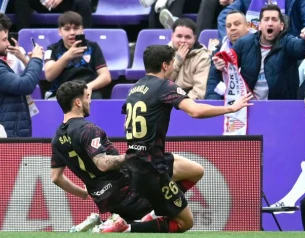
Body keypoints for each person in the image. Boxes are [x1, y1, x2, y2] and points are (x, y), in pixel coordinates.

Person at [120, 45, 253, 233]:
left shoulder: (135, 88)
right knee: (185, 223)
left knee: (196, 171)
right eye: (173, 62)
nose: (175, 66)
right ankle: (127, 229)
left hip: (136, 160)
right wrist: (231, 108)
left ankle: (158, 210)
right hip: (151, 167)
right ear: (165, 65)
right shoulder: (165, 86)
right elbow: (195, 111)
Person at [50, 80, 153, 233]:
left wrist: (84, 193)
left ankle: (101, 222)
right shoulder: (87, 129)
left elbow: (55, 177)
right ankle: (102, 224)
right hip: (126, 191)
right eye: (87, 97)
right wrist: (132, 156)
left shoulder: (57, 138)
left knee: (130, 225)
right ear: (78, 102)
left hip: (104, 199)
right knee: (171, 212)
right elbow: (103, 163)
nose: (89, 100)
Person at [44, 11, 111, 99]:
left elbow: (106, 76)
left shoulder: (93, 47)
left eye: (76, 28)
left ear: (82, 29)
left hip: (87, 90)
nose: (72, 32)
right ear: (60, 31)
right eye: (67, 29)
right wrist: (67, 56)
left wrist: (89, 87)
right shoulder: (52, 49)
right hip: (62, 93)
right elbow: (49, 76)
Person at [0, 13, 43, 137]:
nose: (8, 43)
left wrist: (26, 60)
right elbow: (25, 85)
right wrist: (36, 59)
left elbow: (20, 81)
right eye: (4, 39)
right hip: (6, 137)